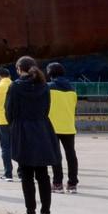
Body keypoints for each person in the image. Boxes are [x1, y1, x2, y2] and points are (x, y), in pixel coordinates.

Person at [6, 56, 57, 214]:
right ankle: (46, 212)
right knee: (42, 173)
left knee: (26, 174)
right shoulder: (44, 86)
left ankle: (31, 212)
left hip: (23, 130)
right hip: (42, 129)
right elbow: (47, 108)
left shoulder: (15, 87)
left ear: (20, 69)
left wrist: (14, 124)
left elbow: (9, 111)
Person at [46, 62, 79, 193]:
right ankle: (72, 184)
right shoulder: (72, 90)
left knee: (56, 156)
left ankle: (57, 184)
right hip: (69, 126)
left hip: (53, 126)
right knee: (71, 155)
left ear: (49, 73)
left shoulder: (48, 88)